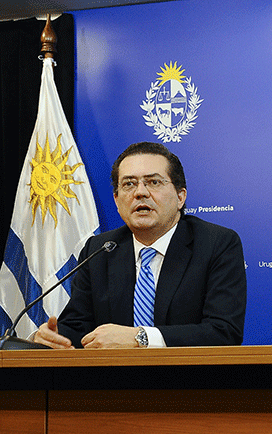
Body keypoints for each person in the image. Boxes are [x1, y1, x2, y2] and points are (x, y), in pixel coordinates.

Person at [33, 142, 247, 348]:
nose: (140, 192)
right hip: (113, 382)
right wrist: (52, 338)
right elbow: (78, 328)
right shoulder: (101, 249)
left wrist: (140, 338)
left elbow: (223, 331)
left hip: (188, 380)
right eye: (129, 184)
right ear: (117, 201)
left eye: (153, 182)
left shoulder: (216, 244)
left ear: (180, 197)